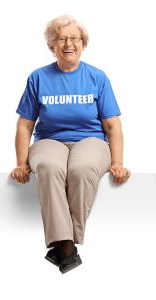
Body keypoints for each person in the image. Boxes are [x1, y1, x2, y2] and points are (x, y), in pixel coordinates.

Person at [11, 15, 130, 274]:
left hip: (91, 139)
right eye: (61, 38)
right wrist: (21, 163)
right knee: (50, 168)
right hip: (49, 139)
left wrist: (118, 162)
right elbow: (25, 125)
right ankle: (66, 246)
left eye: (74, 38)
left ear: (83, 43)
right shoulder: (38, 77)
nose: (68, 44)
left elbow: (112, 125)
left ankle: (65, 242)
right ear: (52, 44)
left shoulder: (97, 77)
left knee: (82, 168)